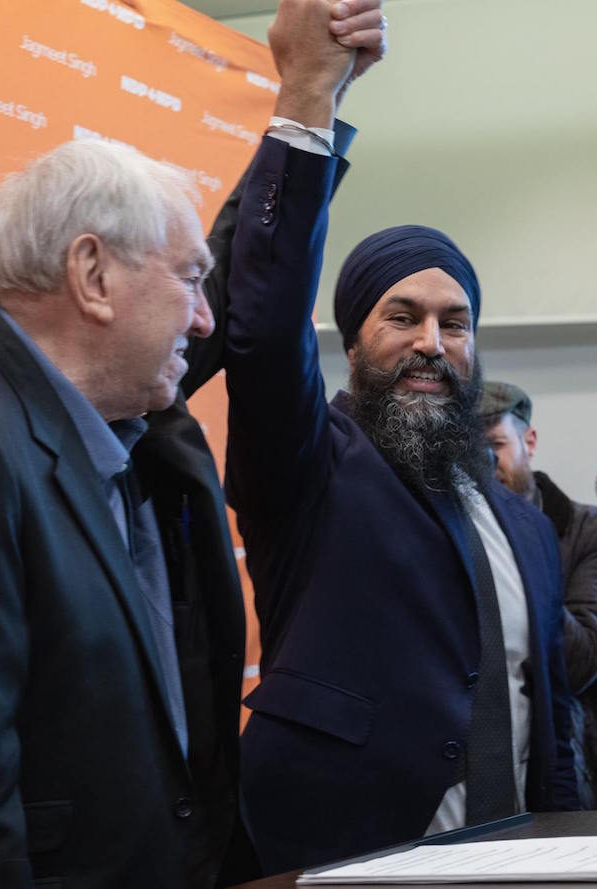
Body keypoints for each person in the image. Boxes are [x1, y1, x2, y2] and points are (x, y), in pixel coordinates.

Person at [0, 1, 386, 886]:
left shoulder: (104, 403)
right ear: (93, 275)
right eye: (187, 281)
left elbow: (246, 284)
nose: (205, 316)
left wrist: (307, 99)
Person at [222, 98, 578, 873]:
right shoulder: (311, 468)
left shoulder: (526, 529)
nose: (431, 343)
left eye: (454, 323)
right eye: (402, 317)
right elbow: (262, 329)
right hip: (338, 861)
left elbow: (551, 722)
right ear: (352, 340)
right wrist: (311, 109)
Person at [480, 380, 597, 810]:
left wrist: (513, 551)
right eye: (469, 453)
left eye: (494, 446)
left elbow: (581, 660)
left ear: (530, 440)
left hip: (573, 751)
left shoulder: (592, 530)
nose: (485, 465)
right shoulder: (451, 530)